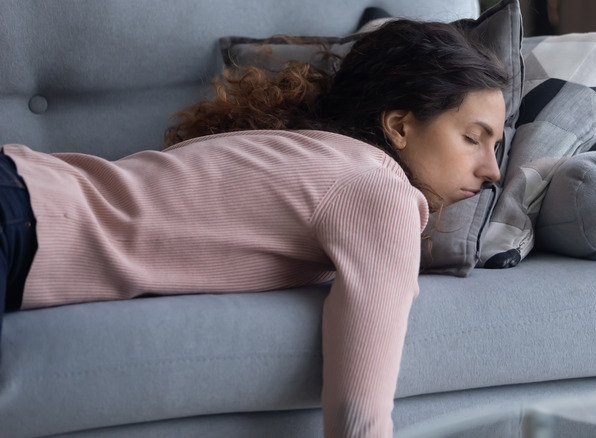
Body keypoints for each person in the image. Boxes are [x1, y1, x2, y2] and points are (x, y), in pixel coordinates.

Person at [0, 19, 508, 437]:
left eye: (496, 146)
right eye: (472, 138)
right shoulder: (379, 191)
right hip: (19, 216)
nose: (493, 172)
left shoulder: (310, 151)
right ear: (399, 125)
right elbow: (360, 411)